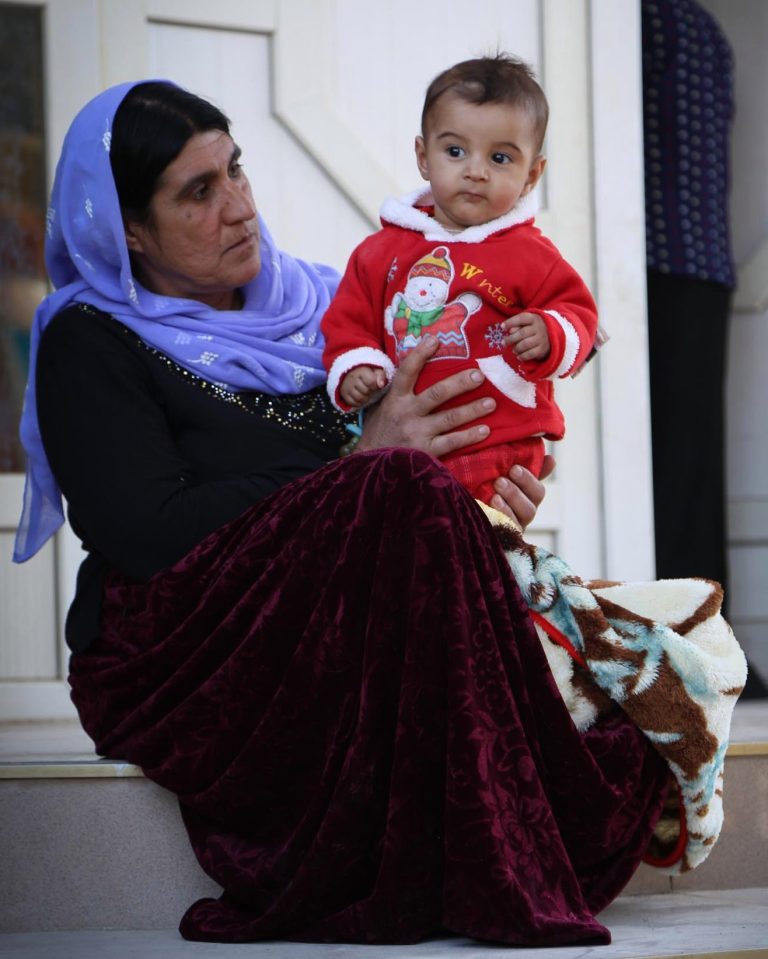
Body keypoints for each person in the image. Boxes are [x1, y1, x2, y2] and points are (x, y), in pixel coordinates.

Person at [13, 80, 670, 946]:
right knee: (395, 488)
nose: (240, 206)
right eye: (198, 193)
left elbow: (425, 461)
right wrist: (363, 464)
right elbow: (144, 529)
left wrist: (494, 483)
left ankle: (513, 809)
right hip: (178, 647)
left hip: (335, 615)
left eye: (235, 170)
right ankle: (495, 835)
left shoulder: (321, 306)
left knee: (425, 502)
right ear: (128, 230)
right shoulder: (88, 338)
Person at [321, 55, 599, 505]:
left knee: (469, 533)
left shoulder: (531, 254)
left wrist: (550, 332)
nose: (475, 170)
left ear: (531, 176)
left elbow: (580, 317)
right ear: (423, 157)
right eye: (455, 151)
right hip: (406, 443)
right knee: (404, 525)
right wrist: (355, 365)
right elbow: (349, 320)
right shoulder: (381, 252)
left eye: (500, 158)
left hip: (499, 438)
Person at [642, 0, 766, 697]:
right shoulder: (701, 29)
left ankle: (693, 652)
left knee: (665, 466)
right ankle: (709, 646)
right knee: (688, 468)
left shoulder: (650, 21)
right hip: (698, 266)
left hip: (660, 266)